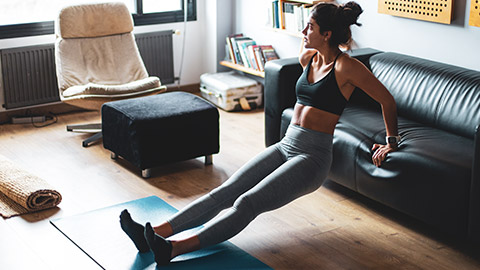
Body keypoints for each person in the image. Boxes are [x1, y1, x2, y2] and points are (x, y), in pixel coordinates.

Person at [119, 1, 399, 266]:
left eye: (310, 27)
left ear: (326, 34)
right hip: (287, 144)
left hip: (312, 157)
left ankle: (174, 248)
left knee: (247, 202)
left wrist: (390, 142)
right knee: (227, 190)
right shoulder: (308, 58)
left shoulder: (346, 67)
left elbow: (386, 100)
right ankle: (155, 233)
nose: (303, 32)